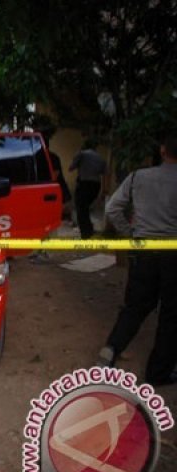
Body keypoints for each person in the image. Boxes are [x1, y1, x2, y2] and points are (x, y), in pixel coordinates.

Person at [96, 132, 177, 386]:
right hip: (174, 255)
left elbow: (112, 209)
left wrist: (131, 233)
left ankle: (110, 351)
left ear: (163, 150)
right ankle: (158, 373)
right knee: (171, 315)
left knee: (135, 306)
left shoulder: (138, 177)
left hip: (143, 251)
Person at [69, 139, 107, 238]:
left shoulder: (82, 154)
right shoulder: (101, 158)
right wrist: (103, 190)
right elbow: (105, 174)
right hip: (96, 186)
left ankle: (85, 234)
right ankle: (89, 230)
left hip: (84, 184)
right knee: (85, 208)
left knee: (81, 209)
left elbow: (71, 168)